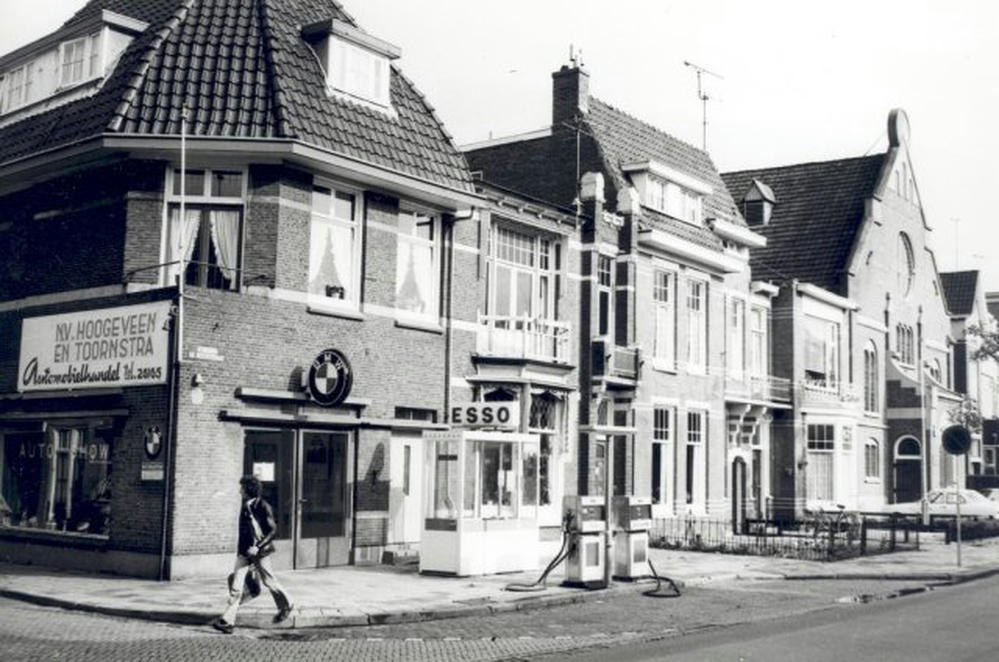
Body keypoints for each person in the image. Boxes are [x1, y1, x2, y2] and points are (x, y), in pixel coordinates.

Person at [212, 475, 294, 634]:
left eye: (242, 488)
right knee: (236, 586)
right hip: (244, 552)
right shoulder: (245, 506)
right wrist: (242, 551)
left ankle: (288, 603)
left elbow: (273, 530)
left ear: (248, 490)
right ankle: (228, 622)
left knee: (269, 582)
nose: (239, 491)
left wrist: (258, 547)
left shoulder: (263, 506)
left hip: (259, 552)